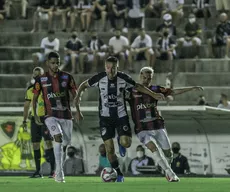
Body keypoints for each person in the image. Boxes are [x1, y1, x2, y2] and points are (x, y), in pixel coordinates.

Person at [75, 56, 165, 182]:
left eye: (113, 68)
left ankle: (120, 139)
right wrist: (77, 100)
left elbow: (138, 86)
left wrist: (154, 94)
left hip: (120, 116)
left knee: (126, 143)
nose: (110, 71)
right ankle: (119, 173)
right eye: (108, 68)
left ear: (117, 68)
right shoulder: (100, 78)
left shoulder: (123, 78)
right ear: (105, 67)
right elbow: (83, 85)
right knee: (109, 150)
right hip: (105, 119)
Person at [125, 67, 203, 181]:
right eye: (144, 77)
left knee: (169, 154)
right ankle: (171, 174)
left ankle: (165, 167)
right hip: (141, 128)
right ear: (140, 75)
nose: (146, 80)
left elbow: (173, 91)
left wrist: (191, 88)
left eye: (149, 78)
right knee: (154, 148)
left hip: (157, 125)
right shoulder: (131, 90)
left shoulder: (156, 89)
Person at [33, 51, 78, 183]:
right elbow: (34, 98)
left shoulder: (67, 77)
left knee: (65, 144)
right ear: (47, 63)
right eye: (52, 63)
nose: (55, 65)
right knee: (58, 137)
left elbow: (75, 94)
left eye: (57, 63)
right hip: (49, 115)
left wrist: (78, 110)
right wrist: (35, 114)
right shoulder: (41, 79)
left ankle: (59, 169)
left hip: (66, 115)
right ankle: (59, 173)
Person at [23, 67, 55, 178]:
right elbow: (26, 106)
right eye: (35, 75)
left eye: (38, 75)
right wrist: (24, 119)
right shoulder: (30, 90)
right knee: (35, 144)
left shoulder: (48, 88)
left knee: (48, 143)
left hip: (46, 118)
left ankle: (53, 171)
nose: (36, 77)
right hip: (34, 119)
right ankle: (38, 171)